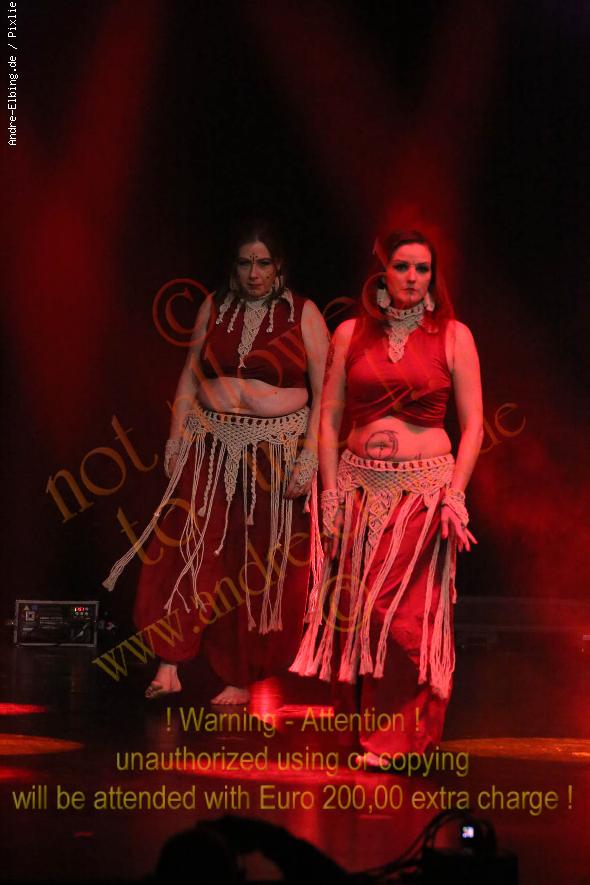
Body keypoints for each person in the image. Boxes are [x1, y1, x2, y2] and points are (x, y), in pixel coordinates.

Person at [104, 221, 329, 704]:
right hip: (208, 445)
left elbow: (325, 391)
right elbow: (190, 374)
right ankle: (169, 663)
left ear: (279, 265)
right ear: (233, 266)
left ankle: (240, 675)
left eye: (263, 263)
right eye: (245, 263)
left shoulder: (304, 313)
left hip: (273, 454)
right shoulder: (215, 306)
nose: (254, 273)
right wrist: (175, 438)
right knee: (187, 548)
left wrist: (310, 455)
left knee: (253, 560)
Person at [291, 229, 483, 767]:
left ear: (433, 277)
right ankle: (362, 733)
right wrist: (330, 492)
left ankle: (400, 739)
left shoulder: (454, 336)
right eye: (402, 267)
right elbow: (328, 418)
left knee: (402, 617)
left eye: (422, 269)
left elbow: (474, 426)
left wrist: (455, 496)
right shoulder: (350, 332)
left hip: (423, 497)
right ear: (383, 273)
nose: (412, 278)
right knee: (356, 612)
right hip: (358, 490)